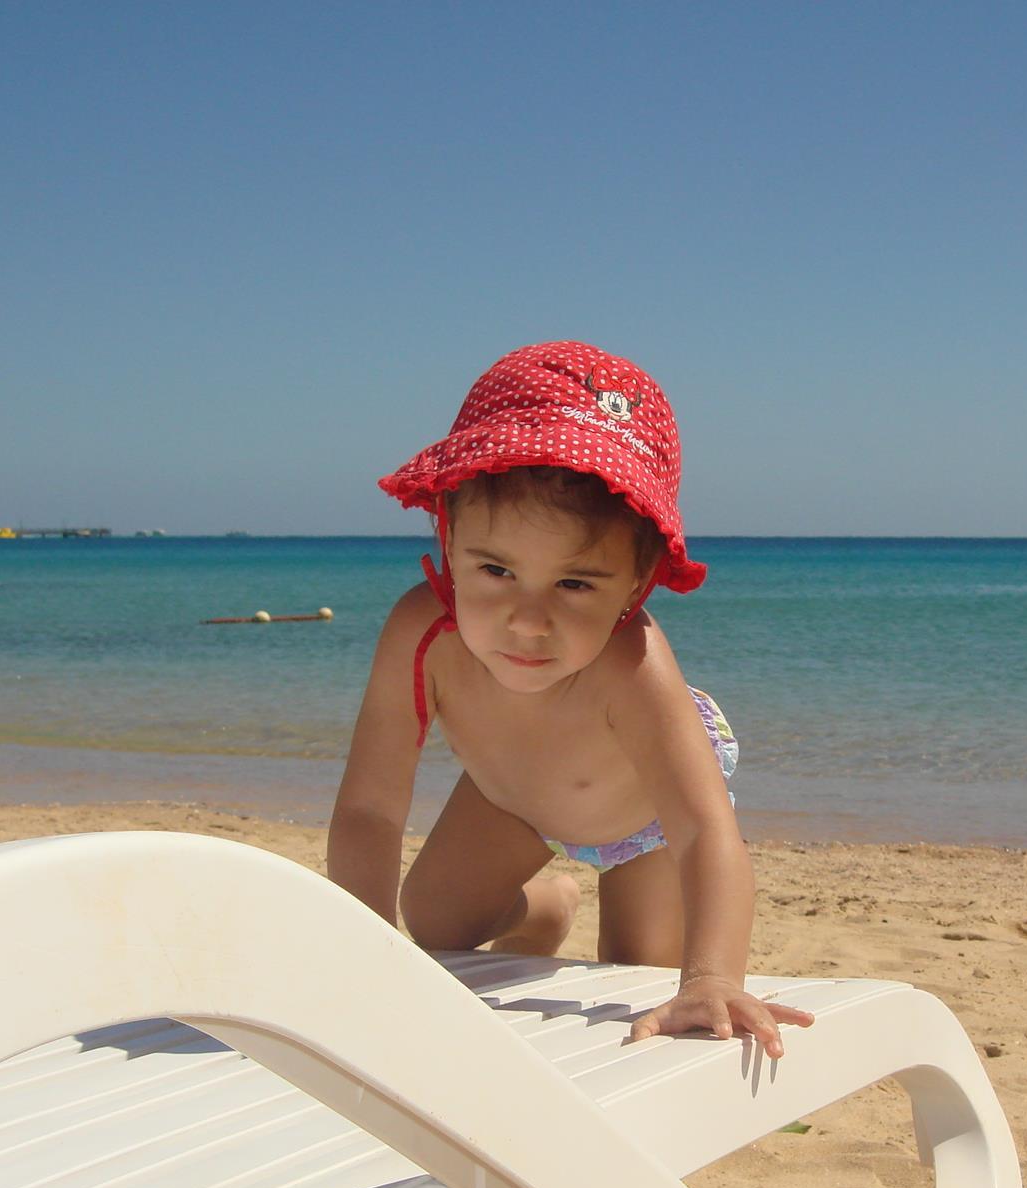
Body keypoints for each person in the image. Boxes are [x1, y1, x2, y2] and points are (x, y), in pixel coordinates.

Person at [327, 341, 814, 1056]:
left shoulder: (632, 664)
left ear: (639, 579)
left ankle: (617, 920)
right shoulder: (420, 636)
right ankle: (545, 908)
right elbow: (370, 809)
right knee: (430, 920)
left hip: (646, 822)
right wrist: (368, 952)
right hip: (510, 797)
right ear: (448, 536)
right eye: (496, 570)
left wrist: (713, 977)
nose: (528, 621)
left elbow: (706, 833)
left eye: (576, 583)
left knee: (638, 977)